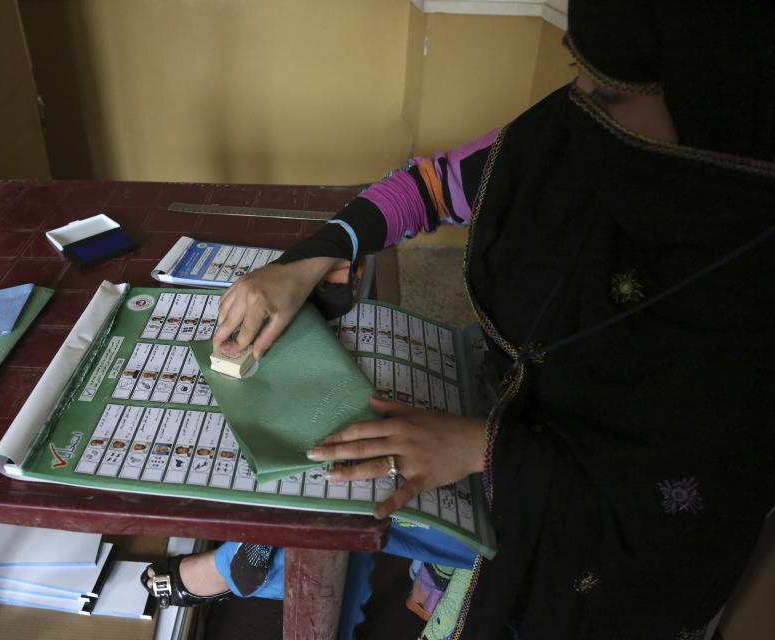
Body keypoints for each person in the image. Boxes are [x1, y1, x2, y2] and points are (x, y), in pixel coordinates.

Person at [143, 1, 775, 637]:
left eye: (607, 94)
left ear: (718, 103)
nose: (576, 102)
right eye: (575, 70)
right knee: (346, 457)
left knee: (348, 487)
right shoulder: (569, 133)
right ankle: (241, 566)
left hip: (587, 532)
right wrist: (311, 256)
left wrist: (481, 449)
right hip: (500, 405)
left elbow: (687, 502)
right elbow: (431, 187)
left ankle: (231, 569)